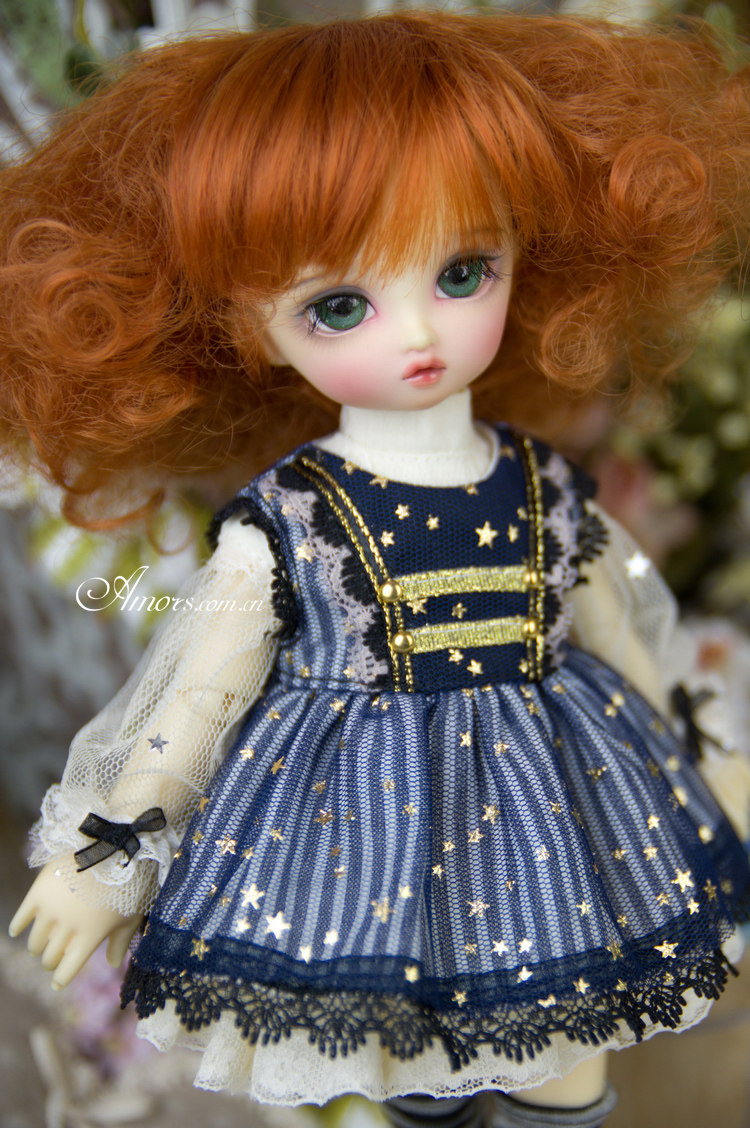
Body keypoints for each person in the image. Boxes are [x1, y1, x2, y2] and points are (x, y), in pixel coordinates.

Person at [4, 13, 750, 1127]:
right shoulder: (291, 521)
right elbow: (195, 698)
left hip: (563, 832)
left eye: (463, 271)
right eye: (340, 305)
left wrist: (714, 760)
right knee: (409, 1060)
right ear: (247, 327)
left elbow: (628, 637)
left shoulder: (543, 486)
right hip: (369, 850)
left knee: (569, 1063)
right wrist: (109, 853)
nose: (419, 336)